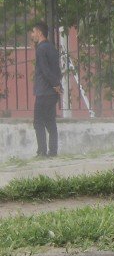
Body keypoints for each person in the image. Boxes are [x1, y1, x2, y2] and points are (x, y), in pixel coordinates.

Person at [30, 21, 61, 157]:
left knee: (38, 122)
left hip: (44, 91)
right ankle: (53, 152)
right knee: (50, 122)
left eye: (33, 32)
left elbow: (45, 70)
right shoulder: (52, 48)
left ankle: (41, 152)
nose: (32, 35)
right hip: (52, 93)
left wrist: (55, 85)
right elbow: (57, 69)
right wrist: (58, 85)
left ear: (39, 32)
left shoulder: (41, 49)